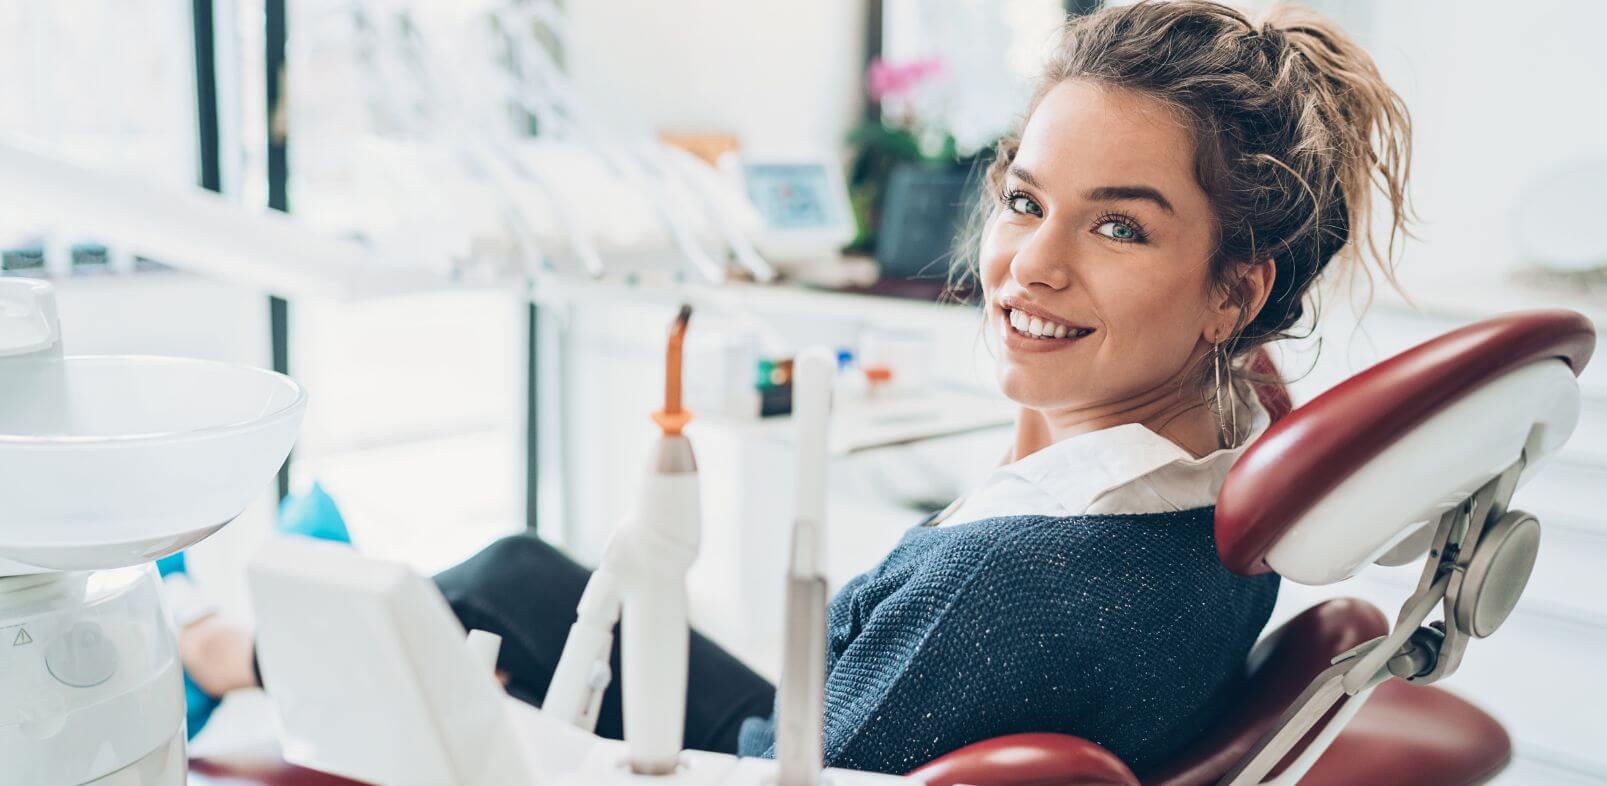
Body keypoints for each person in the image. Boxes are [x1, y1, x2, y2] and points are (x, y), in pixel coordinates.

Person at [177, 0, 1412, 776]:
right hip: (833, 721)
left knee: (454, 642)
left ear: (1233, 288)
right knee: (514, 574)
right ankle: (269, 626)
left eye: (1119, 230)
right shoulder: (1229, 463)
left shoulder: (1010, 588)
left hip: (769, 760)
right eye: (1026, 201)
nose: (1026, 264)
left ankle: (229, 654)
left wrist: (511, 737)